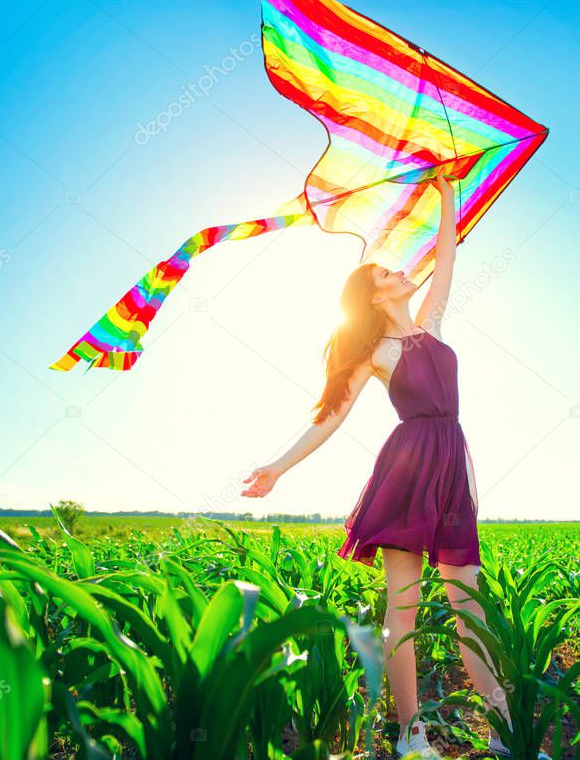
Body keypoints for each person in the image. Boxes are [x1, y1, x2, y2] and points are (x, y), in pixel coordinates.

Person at [242, 172, 540, 759]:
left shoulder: (430, 324)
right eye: (385, 273)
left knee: (470, 609)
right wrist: (278, 467)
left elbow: (448, 257)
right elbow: (330, 417)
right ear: (375, 297)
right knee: (400, 609)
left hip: (452, 467)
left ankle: (508, 738)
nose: (399, 271)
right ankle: (411, 736)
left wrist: (448, 194)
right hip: (407, 473)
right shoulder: (375, 351)